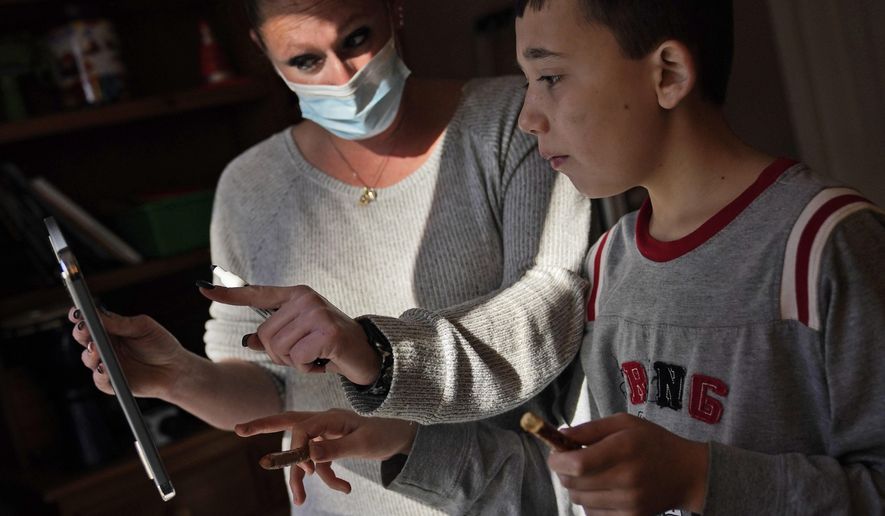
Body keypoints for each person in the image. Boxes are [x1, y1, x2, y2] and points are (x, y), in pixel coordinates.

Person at [231, 0, 885, 513]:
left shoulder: (826, 245)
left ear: (667, 74)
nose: (527, 118)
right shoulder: (609, 267)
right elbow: (559, 493)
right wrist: (399, 444)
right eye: (526, 82)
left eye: (549, 78)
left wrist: (697, 479)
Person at [70, 0, 592, 514]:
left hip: (500, 494)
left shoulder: (515, 121)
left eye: (357, 39)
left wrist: (374, 352)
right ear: (263, 51)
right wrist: (175, 377)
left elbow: (548, 310)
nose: (343, 77)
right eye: (305, 60)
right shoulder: (249, 187)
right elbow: (271, 390)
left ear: (395, 10)